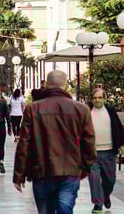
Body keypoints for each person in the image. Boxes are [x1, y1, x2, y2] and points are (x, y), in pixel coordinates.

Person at [13, 70, 96, 214]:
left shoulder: (33, 109)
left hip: (42, 170)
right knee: (65, 208)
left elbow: (24, 143)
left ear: (46, 86)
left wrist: (19, 175)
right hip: (70, 170)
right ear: (66, 87)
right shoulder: (82, 110)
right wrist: (85, 167)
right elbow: (89, 143)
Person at [87, 87, 124, 214]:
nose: (97, 100)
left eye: (100, 97)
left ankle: (106, 195)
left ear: (104, 99)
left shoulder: (110, 110)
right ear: (91, 99)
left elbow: (118, 127)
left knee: (110, 180)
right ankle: (98, 204)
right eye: (95, 98)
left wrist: (122, 144)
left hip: (109, 151)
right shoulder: (87, 111)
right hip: (92, 152)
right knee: (94, 179)